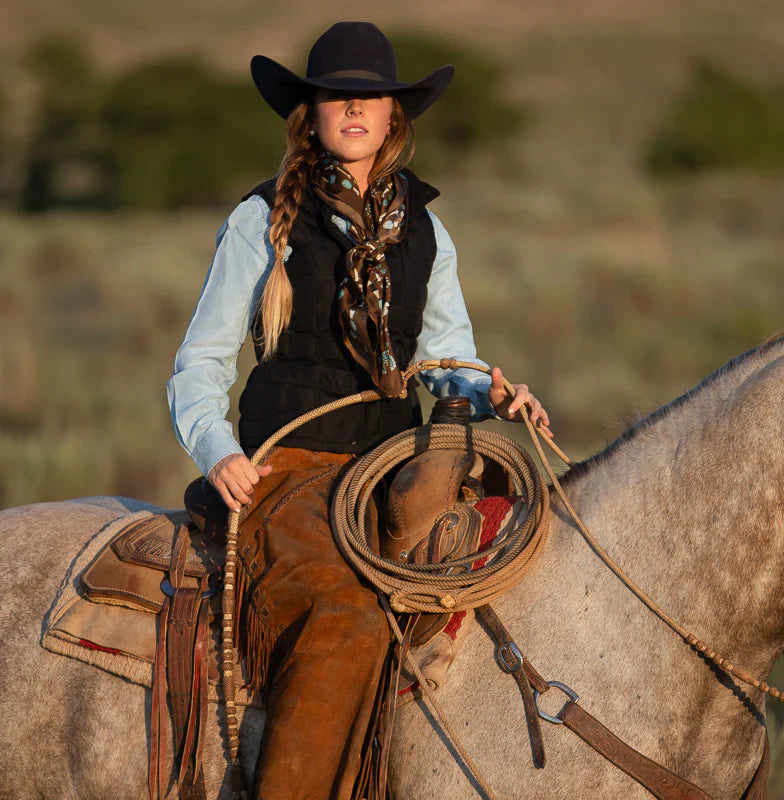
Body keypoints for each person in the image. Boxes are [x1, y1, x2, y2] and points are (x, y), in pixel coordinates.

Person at [167, 21, 550, 800]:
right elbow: (198, 365)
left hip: (391, 465)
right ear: (309, 114)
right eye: (335, 95)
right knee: (350, 608)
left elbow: (452, 361)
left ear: (392, 116)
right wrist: (218, 452)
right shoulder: (261, 221)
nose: (353, 109)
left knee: (515, 545)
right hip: (289, 470)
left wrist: (495, 393)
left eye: (369, 96)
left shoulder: (427, 231)